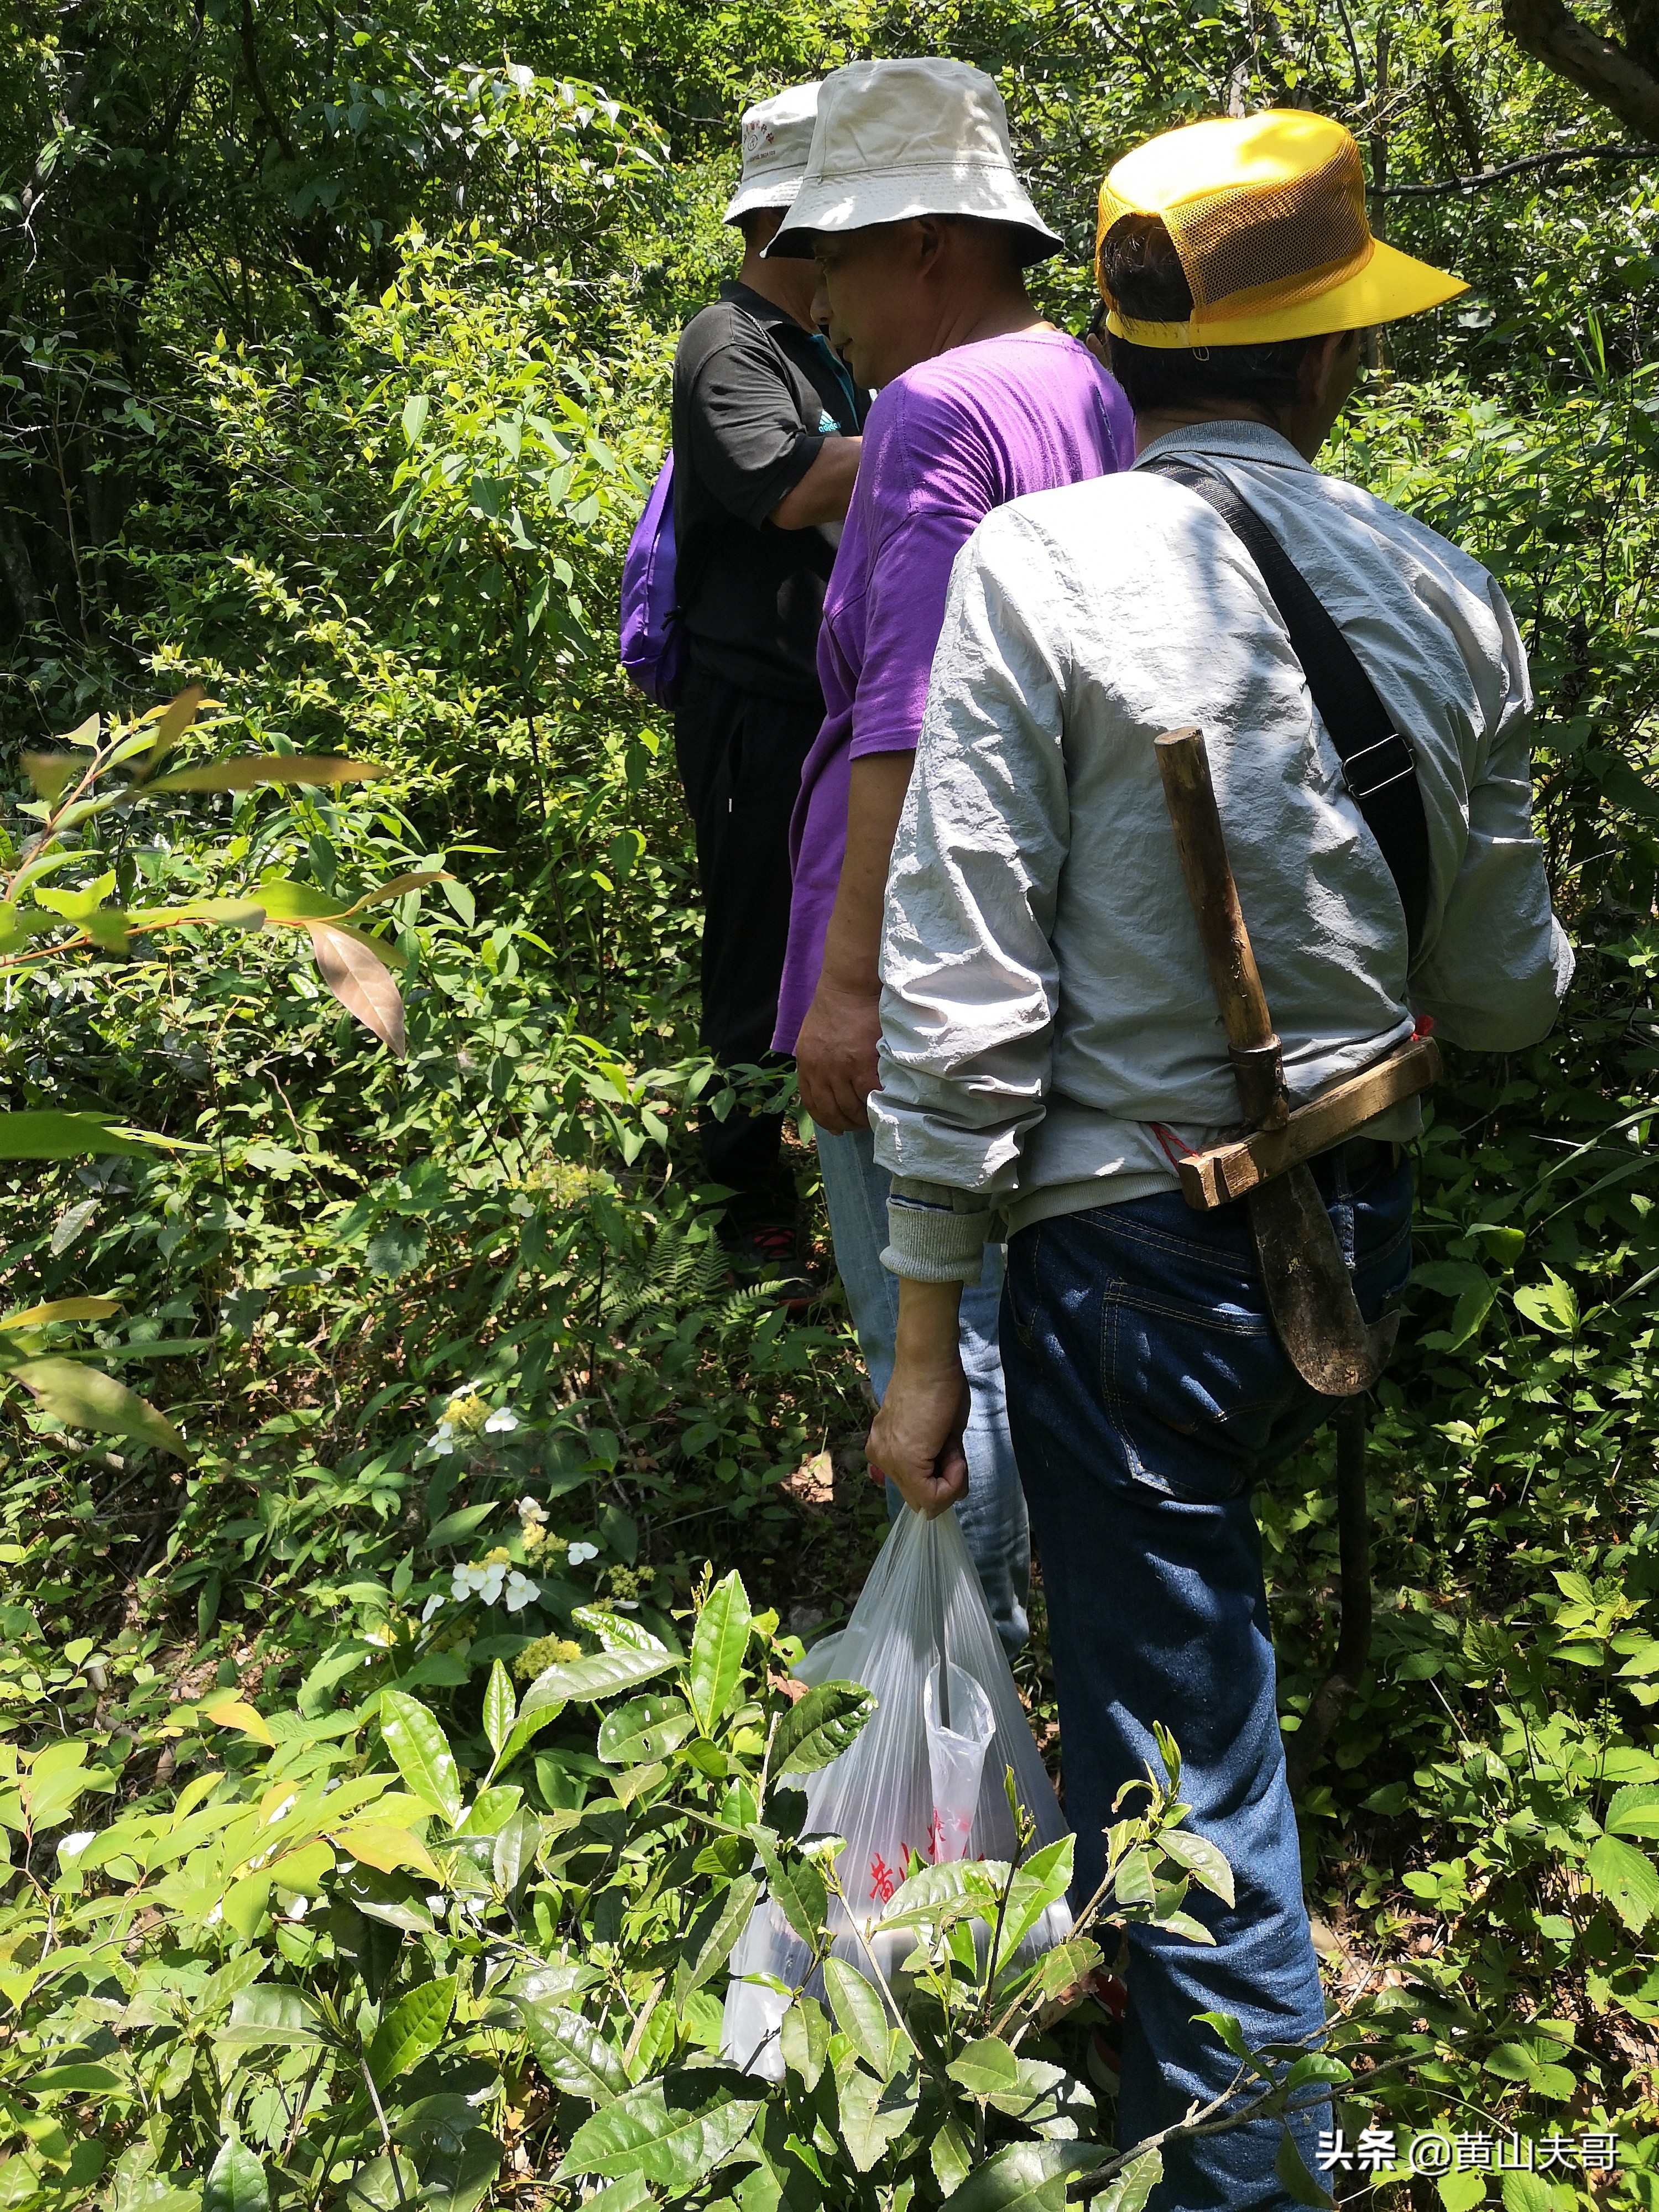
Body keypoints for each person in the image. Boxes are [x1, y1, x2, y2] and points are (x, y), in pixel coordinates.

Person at [865, 111, 1572, 2208]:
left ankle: (1255, 2170)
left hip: (1123, 1254)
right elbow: (1514, 991)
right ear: (1333, 357)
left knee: (1189, 1746)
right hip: (1351, 1211)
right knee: (1186, 1671)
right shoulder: (1447, 591)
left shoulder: (1037, 569)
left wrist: (923, 1344)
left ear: (1116, 348)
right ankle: (1166, 2035)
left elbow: (964, 984)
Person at [765, 57, 1134, 1654]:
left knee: (933, 1352)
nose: (818, 298)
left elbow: (903, 717)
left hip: (922, 963)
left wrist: (847, 994)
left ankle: (961, 1709)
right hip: (1064, 944)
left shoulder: (927, 411)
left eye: (834, 255)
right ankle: (1038, 1660)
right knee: (1014, 1335)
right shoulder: (1091, 385)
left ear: (925, 243)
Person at [671, 82, 866, 1296]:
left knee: (832, 945)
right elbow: (787, 487)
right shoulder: (727, 344)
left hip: (834, 701)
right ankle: (745, 1210)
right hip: (754, 709)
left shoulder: (825, 347)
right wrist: (954, 422)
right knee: (755, 952)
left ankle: (826, 1166)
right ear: (791, 222)